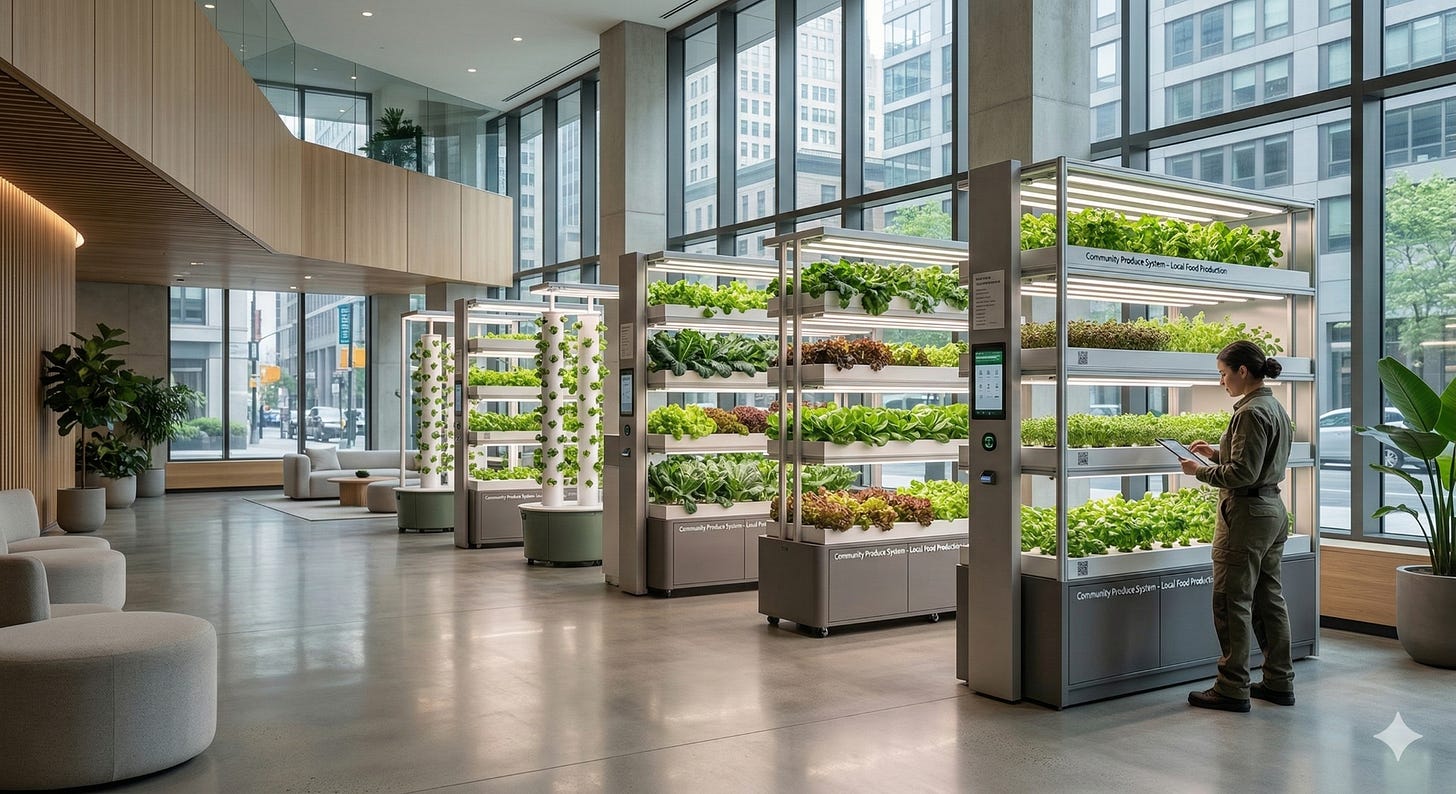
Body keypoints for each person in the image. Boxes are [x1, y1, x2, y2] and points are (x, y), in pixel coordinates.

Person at [1179, 340, 1295, 713]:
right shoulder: (1273, 407)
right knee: (1268, 599)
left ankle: (1231, 687)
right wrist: (1218, 453)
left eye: (1223, 374)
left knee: (1232, 602)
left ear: (1242, 371)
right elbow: (1257, 461)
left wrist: (1202, 471)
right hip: (1272, 510)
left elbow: (1242, 473)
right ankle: (1279, 680)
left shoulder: (1248, 412)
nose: (1221, 382)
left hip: (1246, 515)